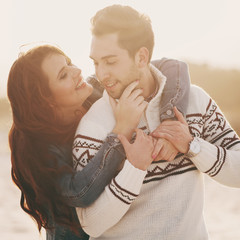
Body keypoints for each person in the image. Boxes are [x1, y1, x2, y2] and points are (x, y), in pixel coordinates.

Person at [73, 4, 240, 240]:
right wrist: (135, 168)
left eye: (110, 62)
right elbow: (90, 224)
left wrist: (192, 146)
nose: (101, 74)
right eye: (96, 62)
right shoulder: (94, 125)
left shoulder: (196, 102)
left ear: (141, 57)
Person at [7, 43, 190, 239]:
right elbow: (79, 193)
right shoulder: (39, 149)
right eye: (63, 75)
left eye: (69, 63)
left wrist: (169, 124)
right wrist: (122, 130)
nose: (76, 71)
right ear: (45, 100)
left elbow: (174, 67)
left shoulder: (95, 90)